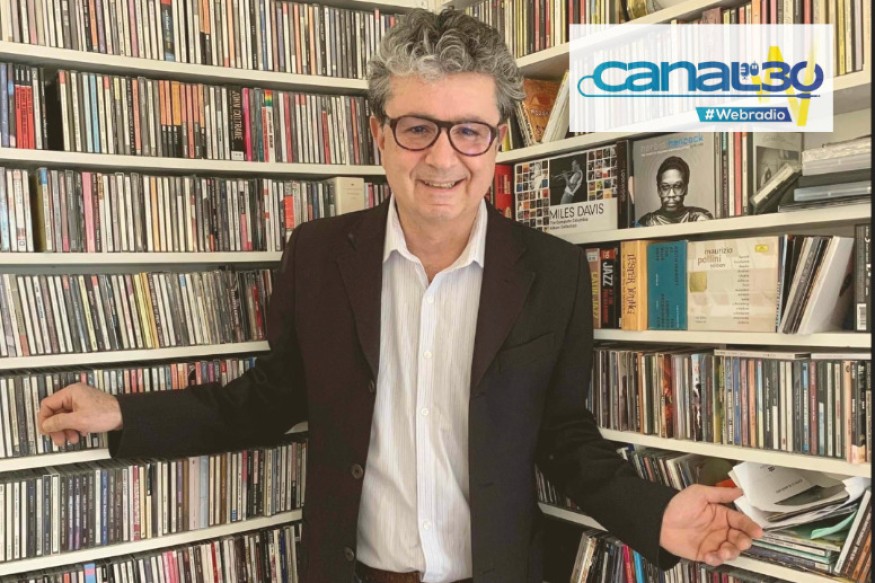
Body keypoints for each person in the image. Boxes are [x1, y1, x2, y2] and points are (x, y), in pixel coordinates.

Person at [38, 9, 762, 583]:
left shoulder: (554, 271)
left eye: (469, 131)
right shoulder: (318, 255)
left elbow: (562, 435)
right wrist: (124, 413)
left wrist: (655, 513)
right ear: (379, 135)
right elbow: (268, 399)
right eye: (418, 128)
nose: (443, 158)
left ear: (496, 142)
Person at [636, 156, 714, 226]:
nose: (671, 194)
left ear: (686, 188)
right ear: (659, 190)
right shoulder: (647, 222)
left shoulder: (698, 217)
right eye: (665, 187)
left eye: (677, 186)